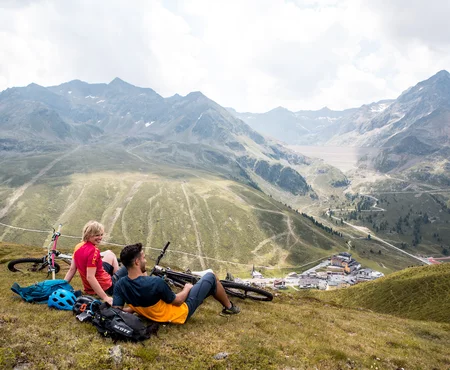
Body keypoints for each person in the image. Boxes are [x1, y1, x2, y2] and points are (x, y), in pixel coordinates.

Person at [113, 243, 240, 324]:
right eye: (143, 258)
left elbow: (118, 311)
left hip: (154, 315)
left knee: (209, 285)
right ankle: (229, 308)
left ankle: (219, 297)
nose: (145, 261)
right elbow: (178, 301)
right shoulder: (156, 282)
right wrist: (186, 288)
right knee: (211, 277)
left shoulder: (120, 285)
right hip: (179, 314)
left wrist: (137, 309)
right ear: (136, 262)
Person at [64, 220, 127, 305]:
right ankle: (120, 285)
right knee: (130, 266)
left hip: (89, 288)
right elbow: (90, 277)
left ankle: (115, 279)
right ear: (88, 235)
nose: (100, 237)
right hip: (106, 287)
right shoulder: (94, 251)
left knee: (109, 253)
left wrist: (62, 286)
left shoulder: (78, 247)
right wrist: (105, 297)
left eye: (101, 234)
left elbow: (72, 269)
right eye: (97, 235)